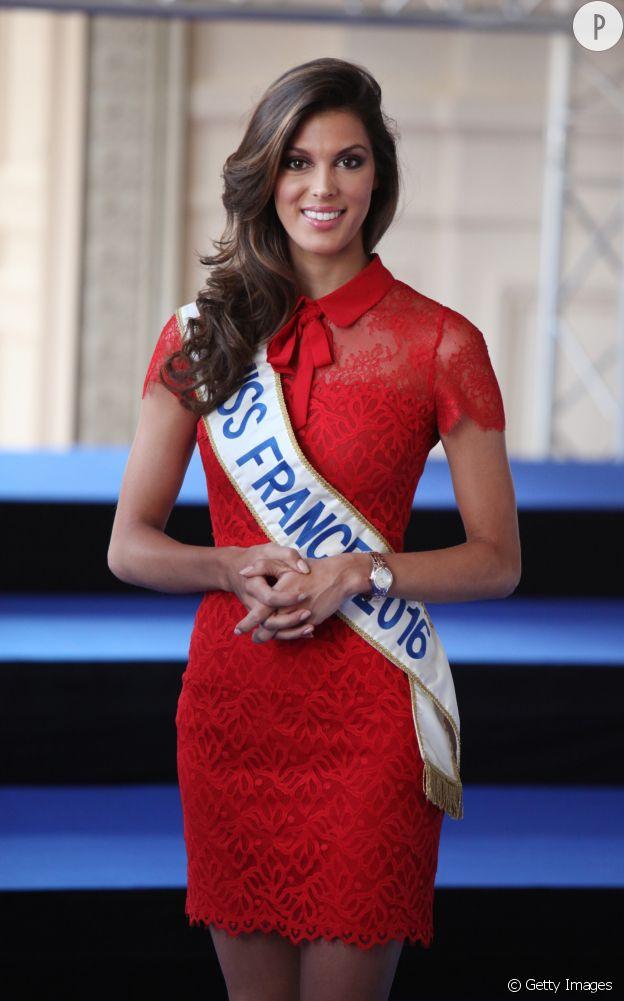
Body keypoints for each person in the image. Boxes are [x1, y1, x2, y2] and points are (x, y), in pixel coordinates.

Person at [108, 56, 521, 1001]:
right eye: (297, 161)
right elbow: (129, 543)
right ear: (267, 175)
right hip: (232, 711)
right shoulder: (198, 337)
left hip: (371, 725)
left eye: (349, 161)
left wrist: (358, 573)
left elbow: (498, 560)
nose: (322, 187)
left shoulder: (442, 344)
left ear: (379, 179)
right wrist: (225, 562)